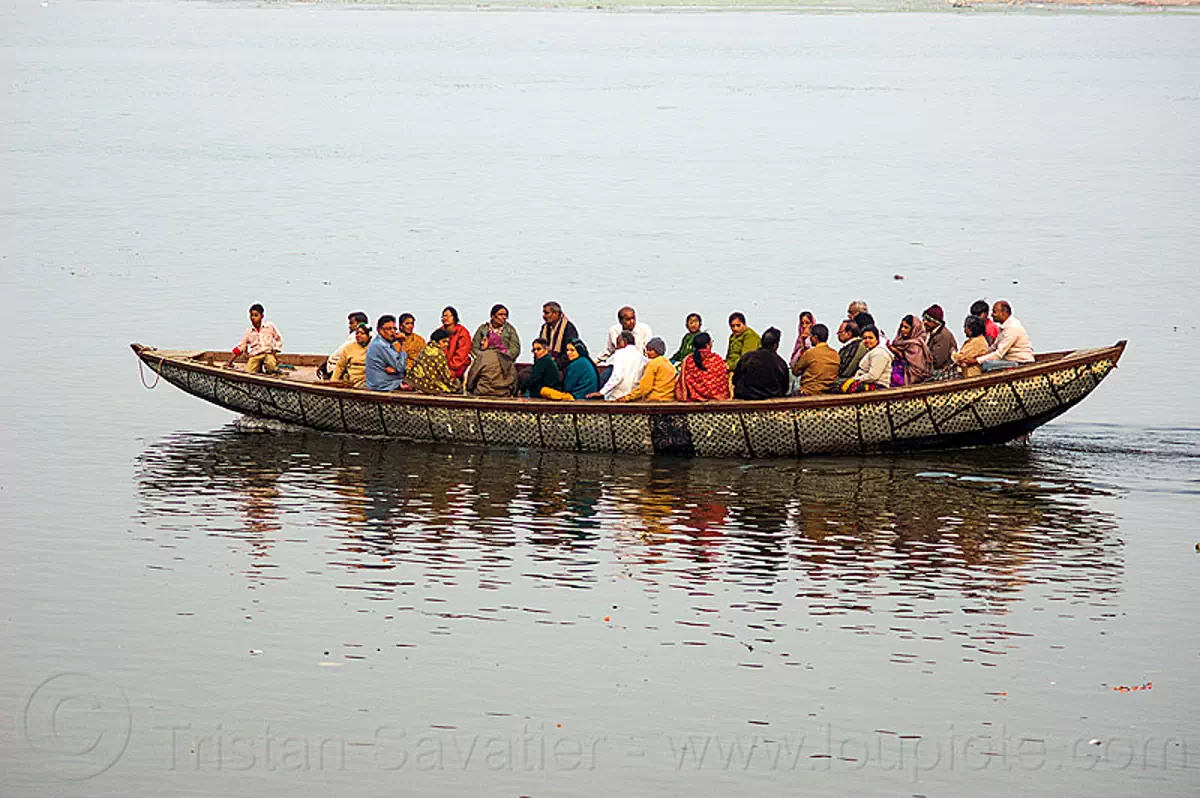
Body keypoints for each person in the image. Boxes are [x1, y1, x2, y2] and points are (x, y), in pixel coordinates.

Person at [959, 300, 1034, 372]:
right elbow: (993, 347)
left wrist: (976, 361)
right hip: (1010, 360)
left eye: (994, 312)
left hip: (1021, 363)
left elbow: (998, 354)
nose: (991, 314)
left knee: (986, 365)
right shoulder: (1004, 327)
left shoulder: (1012, 328)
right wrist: (979, 356)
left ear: (1004, 313)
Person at [734, 327, 789, 400]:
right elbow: (785, 388)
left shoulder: (746, 357)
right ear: (776, 345)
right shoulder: (780, 363)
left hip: (746, 401)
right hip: (772, 405)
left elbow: (735, 380)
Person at [589, 331, 646, 400]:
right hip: (635, 397)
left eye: (617, 343)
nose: (616, 347)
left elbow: (617, 376)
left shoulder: (619, 354)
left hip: (618, 396)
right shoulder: (642, 357)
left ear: (623, 342)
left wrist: (601, 392)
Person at [227, 303, 282, 373]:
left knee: (271, 366)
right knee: (248, 372)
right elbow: (241, 346)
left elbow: (278, 339)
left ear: (262, 316)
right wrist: (229, 362)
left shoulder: (269, 327)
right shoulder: (249, 332)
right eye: (251, 315)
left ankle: (272, 370)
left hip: (267, 353)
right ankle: (258, 368)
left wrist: (275, 350)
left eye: (256, 315)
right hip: (255, 355)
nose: (253, 318)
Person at [677, 332, 730, 402]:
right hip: (716, 397)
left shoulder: (688, 360)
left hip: (695, 397)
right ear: (707, 345)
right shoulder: (716, 359)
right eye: (711, 342)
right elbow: (723, 380)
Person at [838, 325, 893, 393]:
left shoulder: (879, 353)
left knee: (841, 386)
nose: (867, 340)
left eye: (870, 338)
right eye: (865, 338)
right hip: (866, 382)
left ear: (877, 339)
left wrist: (856, 379)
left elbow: (873, 376)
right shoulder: (871, 351)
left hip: (878, 386)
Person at [619, 337, 676, 402]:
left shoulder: (653, 364)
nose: (648, 352)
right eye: (647, 350)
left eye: (651, 350)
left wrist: (627, 397)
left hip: (655, 398)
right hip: (669, 398)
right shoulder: (668, 363)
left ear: (658, 351)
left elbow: (645, 388)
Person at [407, 328, 462, 394]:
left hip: (417, 384)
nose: (446, 344)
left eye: (447, 342)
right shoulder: (438, 353)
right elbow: (444, 374)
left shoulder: (424, 350)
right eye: (444, 342)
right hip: (433, 386)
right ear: (437, 341)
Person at [791, 323, 840, 396]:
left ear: (815, 337)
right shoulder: (835, 354)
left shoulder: (810, 353)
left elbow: (795, 371)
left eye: (811, 336)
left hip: (808, 392)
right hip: (828, 392)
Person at [465, 330, 518, 397]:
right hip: (503, 394)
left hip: (482, 393)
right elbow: (514, 379)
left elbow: (472, 377)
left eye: (485, 340)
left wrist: (469, 388)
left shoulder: (482, 357)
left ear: (491, 341)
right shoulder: (507, 358)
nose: (482, 342)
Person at [319, 311, 368, 380]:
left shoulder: (356, 338)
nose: (349, 326)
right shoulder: (355, 337)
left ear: (360, 324)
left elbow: (342, 359)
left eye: (351, 323)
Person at [365, 314, 408, 391]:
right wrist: (403, 344)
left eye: (394, 329)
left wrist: (395, 370)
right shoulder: (381, 345)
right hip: (384, 385)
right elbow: (401, 367)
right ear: (379, 330)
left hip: (386, 381)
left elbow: (397, 366)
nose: (392, 331)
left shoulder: (385, 343)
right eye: (388, 329)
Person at [888, 314, 933, 387]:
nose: (902, 329)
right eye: (902, 327)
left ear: (914, 329)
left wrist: (896, 351)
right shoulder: (900, 340)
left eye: (906, 327)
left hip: (909, 376)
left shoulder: (916, 345)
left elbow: (915, 367)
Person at [538, 302, 580, 372]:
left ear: (556, 313)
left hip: (563, 367)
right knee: (524, 375)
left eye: (546, 313)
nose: (544, 316)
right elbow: (538, 347)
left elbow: (569, 354)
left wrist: (552, 365)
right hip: (545, 365)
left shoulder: (569, 329)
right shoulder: (544, 328)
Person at [922, 304, 958, 376]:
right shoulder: (929, 333)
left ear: (936, 322)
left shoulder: (943, 336)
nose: (924, 322)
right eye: (924, 319)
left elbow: (937, 362)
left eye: (928, 320)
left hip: (942, 372)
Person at [331, 323, 372, 388]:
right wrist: (333, 381)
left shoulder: (374, 348)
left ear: (368, 336)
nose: (359, 335)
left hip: (368, 381)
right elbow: (340, 366)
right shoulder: (349, 348)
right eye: (357, 333)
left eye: (362, 333)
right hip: (353, 381)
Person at [439, 306, 473, 380]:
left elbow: (462, 353)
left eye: (449, 316)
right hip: (441, 365)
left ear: (454, 317)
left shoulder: (462, 332)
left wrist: (449, 366)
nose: (446, 318)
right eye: (445, 316)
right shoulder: (439, 331)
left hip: (458, 366)